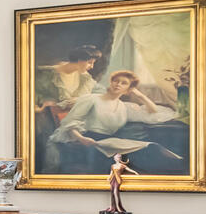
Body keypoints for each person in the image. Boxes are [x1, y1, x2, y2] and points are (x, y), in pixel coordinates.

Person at [52, 71, 185, 167]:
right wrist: (81, 138)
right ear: (111, 82)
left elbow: (154, 113)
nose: (118, 84)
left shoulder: (124, 107)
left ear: (129, 89)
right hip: (92, 141)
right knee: (149, 150)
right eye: (116, 80)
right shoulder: (92, 98)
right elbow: (69, 123)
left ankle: (181, 168)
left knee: (152, 147)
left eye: (124, 83)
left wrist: (140, 95)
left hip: (111, 142)